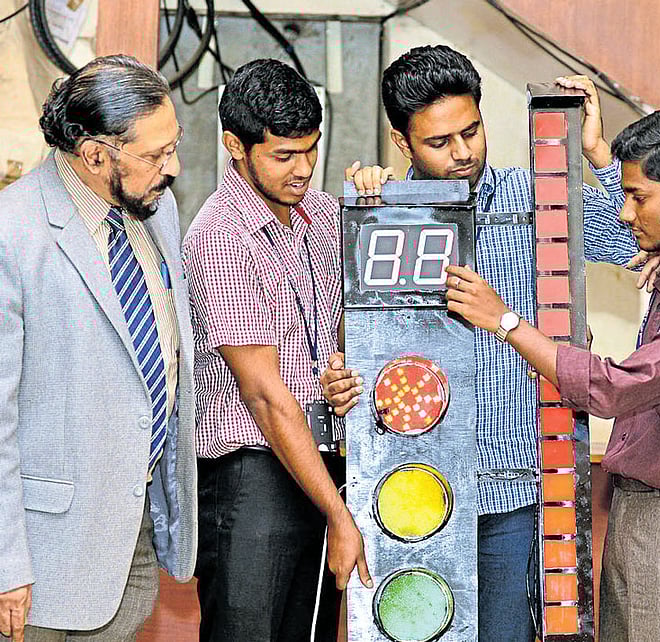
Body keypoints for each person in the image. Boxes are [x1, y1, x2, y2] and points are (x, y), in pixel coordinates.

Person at [321, 44, 637, 641]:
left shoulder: (532, 199)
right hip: (408, 495)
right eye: (440, 142)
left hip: (511, 491)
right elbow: (356, 343)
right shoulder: (383, 211)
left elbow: (631, 241)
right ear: (402, 141)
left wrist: (599, 152)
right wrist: (342, 380)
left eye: (471, 131)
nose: (463, 152)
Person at [444, 106, 660, 641]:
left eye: (638, 198)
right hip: (637, 514)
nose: (625, 213)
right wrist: (601, 154)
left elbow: (616, 387)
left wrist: (505, 321)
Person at [0, 55, 196, 642]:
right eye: (156, 155)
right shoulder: (14, 232)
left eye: (174, 147)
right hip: (40, 558)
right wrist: (6, 564)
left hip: (131, 540)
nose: (173, 168)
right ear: (94, 154)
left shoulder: (156, 212)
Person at [182, 59, 371, 642]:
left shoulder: (323, 215)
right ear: (235, 146)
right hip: (253, 479)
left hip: (321, 465)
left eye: (311, 150)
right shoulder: (220, 236)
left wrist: (378, 198)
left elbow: (356, 322)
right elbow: (264, 395)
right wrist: (339, 515)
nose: (304, 169)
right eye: (285, 155)